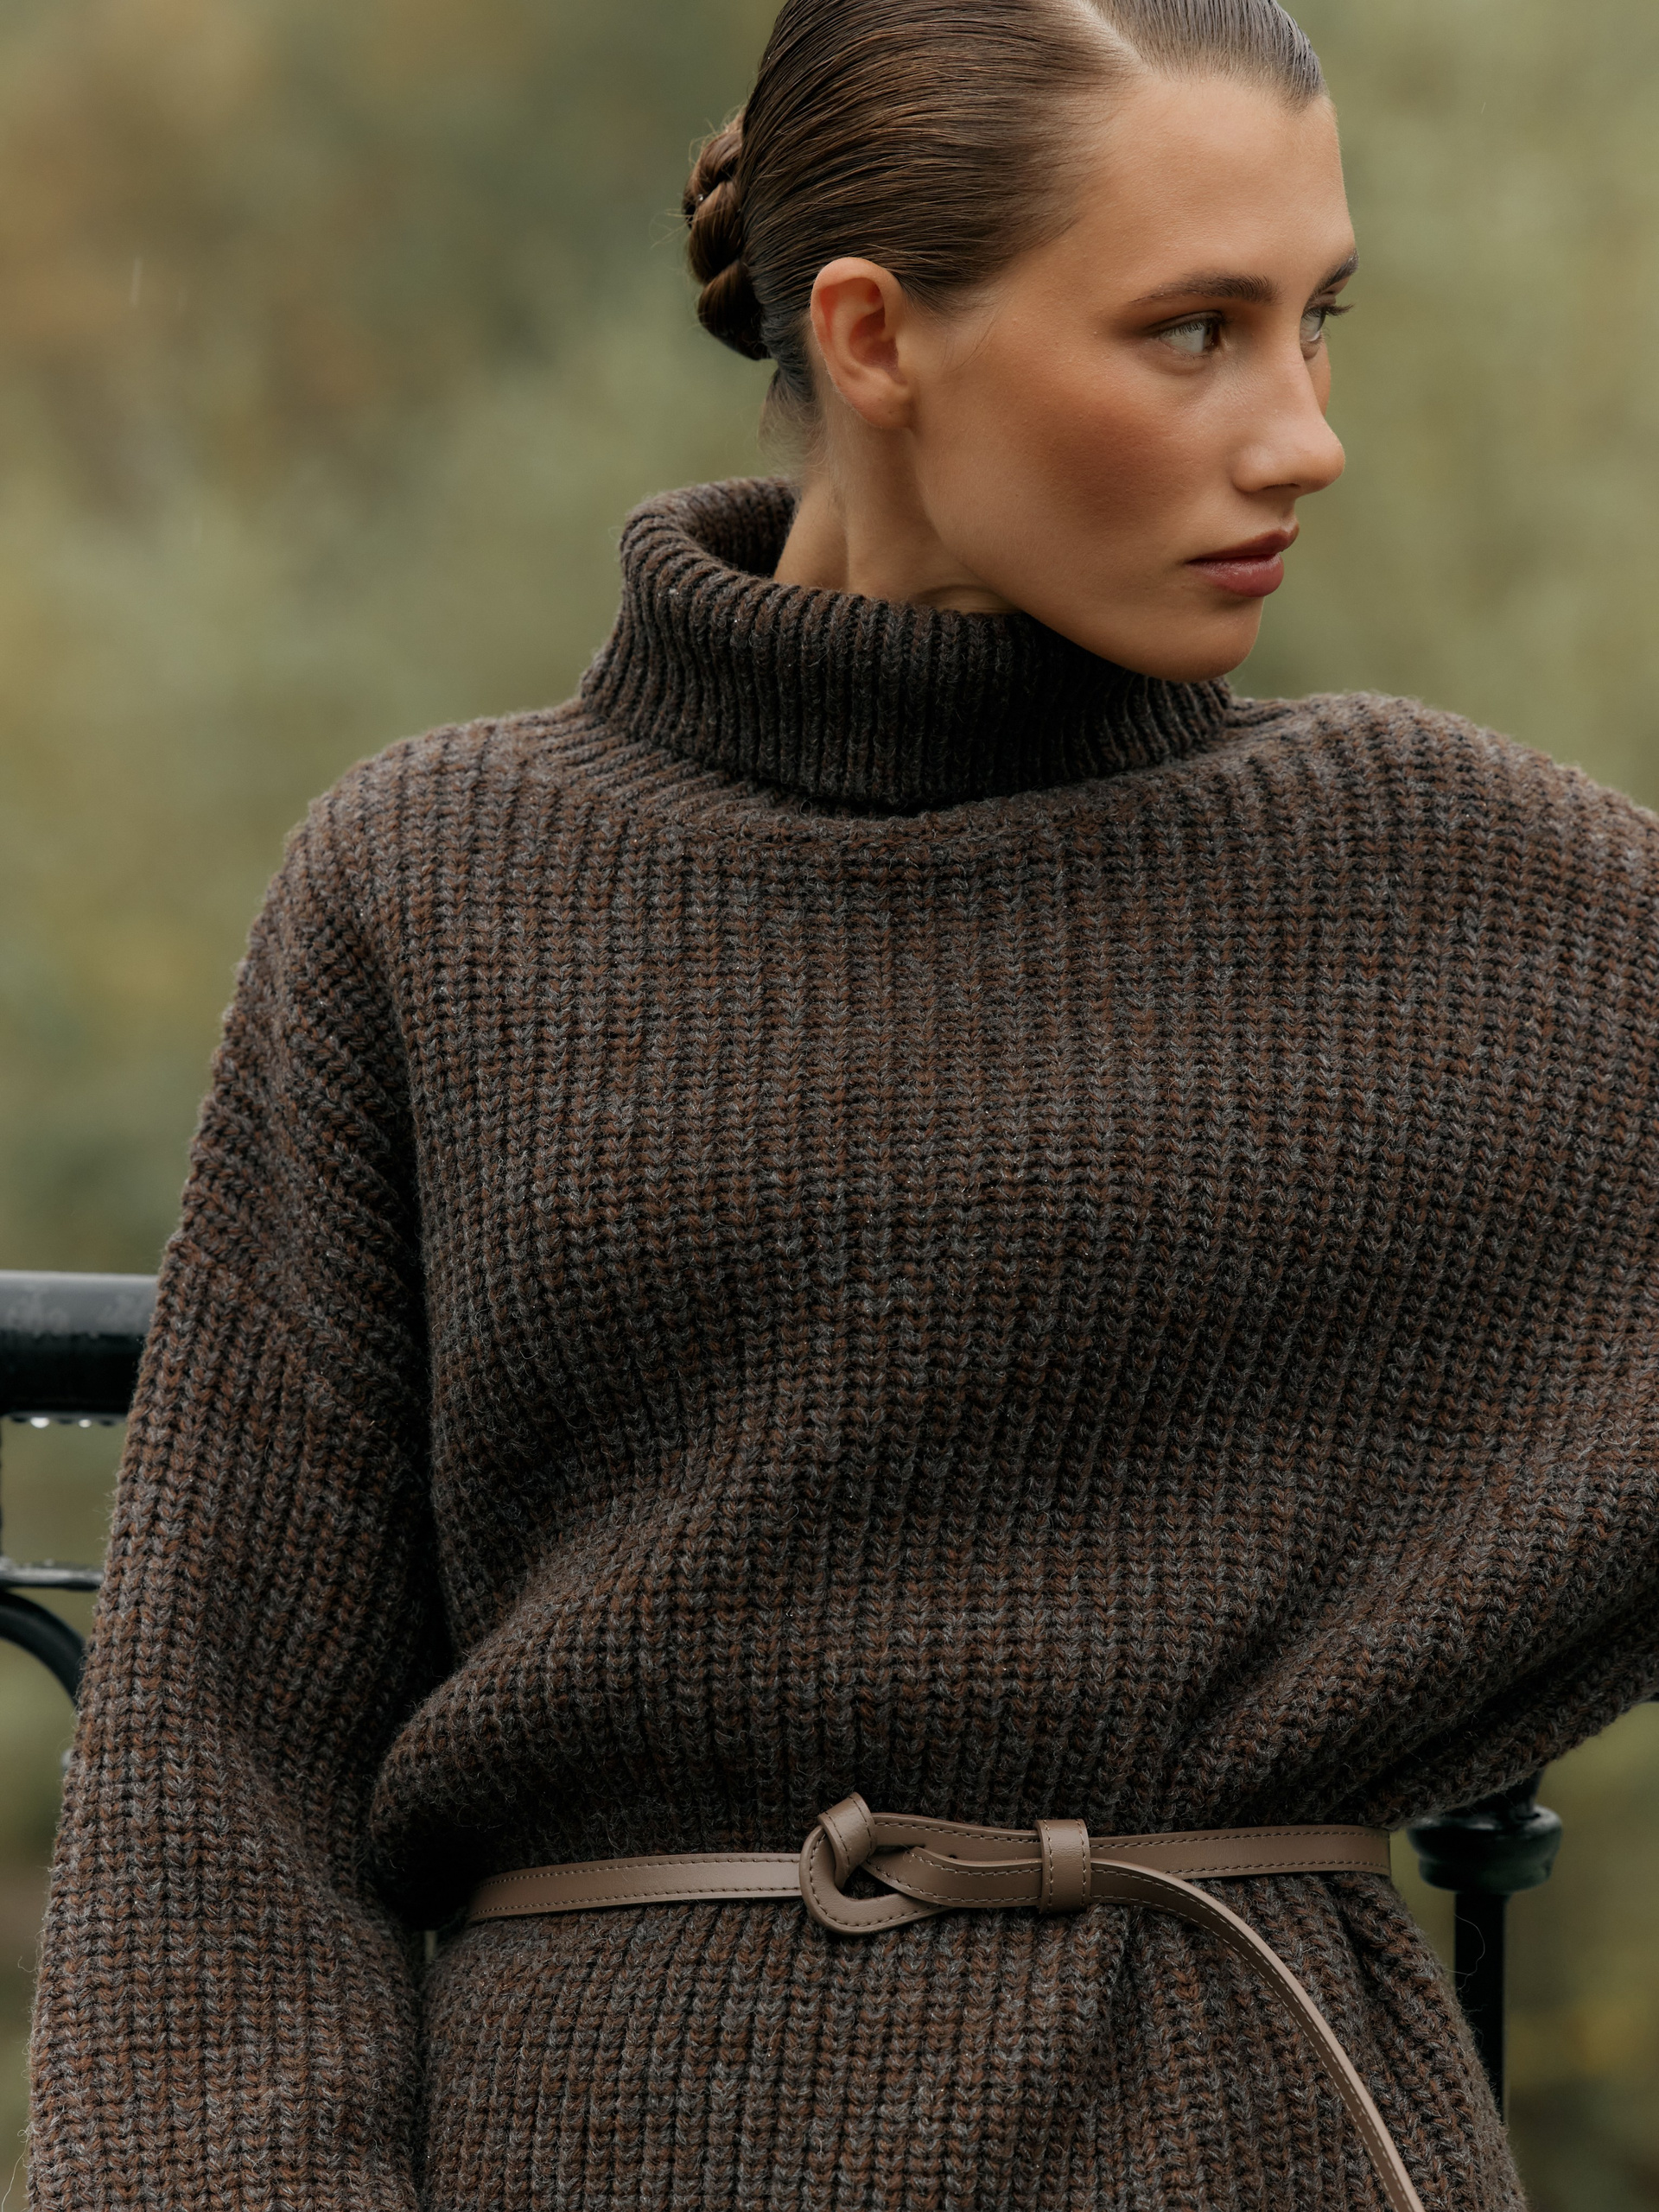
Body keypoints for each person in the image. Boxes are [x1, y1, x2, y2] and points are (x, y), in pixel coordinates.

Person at [29, 0, 1659, 2205]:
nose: (1304, 434)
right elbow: (222, 1770)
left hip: (1266, 2134)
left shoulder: (1463, 875)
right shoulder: (435, 883)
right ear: (876, 334)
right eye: (1194, 331)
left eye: (1317, 322)